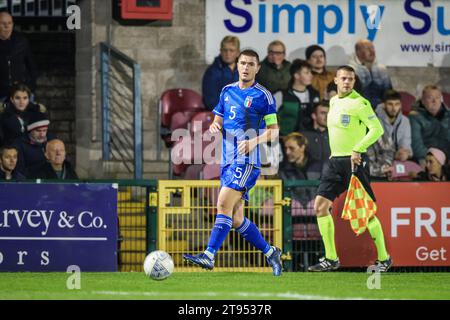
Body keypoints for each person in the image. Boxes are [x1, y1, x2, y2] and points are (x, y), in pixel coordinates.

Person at [183, 49, 283, 276]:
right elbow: (217, 121)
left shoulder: (263, 96)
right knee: (237, 218)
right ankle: (270, 252)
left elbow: (274, 132)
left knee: (222, 205)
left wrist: (254, 141)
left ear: (258, 68)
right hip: (227, 160)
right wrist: (214, 126)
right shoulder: (226, 91)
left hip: (247, 161)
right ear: (237, 66)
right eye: (243, 63)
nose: (246, 67)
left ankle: (209, 255)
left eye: (251, 64)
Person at [308, 65, 392, 272]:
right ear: (335, 81)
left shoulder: (360, 103)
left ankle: (384, 258)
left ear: (354, 82)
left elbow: (377, 129)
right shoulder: (334, 101)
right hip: (335, 161)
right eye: (343, 78)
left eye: (351, 79)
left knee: (366, 213)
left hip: (354, 162)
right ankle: (331, 258)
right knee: (319, 206)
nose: (347, 82)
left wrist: (358, 149)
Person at [367, 90, 413, 178]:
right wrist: (394, 155)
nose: (394, 108)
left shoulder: (405, 121)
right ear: (384, 105)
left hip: (397, 161)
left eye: (397, 104)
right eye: (390, 104)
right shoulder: (373, 120)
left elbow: (406, 143)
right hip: (377, 161)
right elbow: (374, 148)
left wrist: (405, 152)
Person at [275, 59, 320, 136]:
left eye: (310, 72)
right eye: (306, 73)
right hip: (285, 139)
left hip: (310, 139)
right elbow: (267, 113)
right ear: (296, 75)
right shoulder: (281, 95)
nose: (311, 75)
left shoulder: (315, 95)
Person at [0, 11, 38, 102]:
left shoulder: (21, 41)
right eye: (3, 23)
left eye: (10, 23)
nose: (7, 26)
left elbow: (32, 66)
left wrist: (30, 89)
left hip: (21, 93)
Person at [409, 85, 450, 166]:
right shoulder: (415, 117)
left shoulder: (448, 116)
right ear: (423, 101)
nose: (434, 101)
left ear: (441, 100)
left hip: (447, 158)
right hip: (425, 158)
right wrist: (436, 159)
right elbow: (417, 147)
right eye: (430, 98)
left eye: (438, 97)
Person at [348, 39, 392, 108]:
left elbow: (389, 94)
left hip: (381, 111)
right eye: (367, 48)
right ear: (358, 52)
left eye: (373, 48)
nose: (372, 51)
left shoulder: (382, 69)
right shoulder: (350, 70)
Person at [202, 36, 240, 111]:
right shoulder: (212, 72)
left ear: (237, 53)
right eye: (225, 50)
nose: (227, 53)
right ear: (220, 51)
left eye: (231, 50)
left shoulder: (243, 70)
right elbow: (210, 101)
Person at [14, 111, 55, 176]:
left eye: (44, 130)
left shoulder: (52, 140)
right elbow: (20, 171)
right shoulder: (20, 145)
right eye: (38, 131)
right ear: (31, 130)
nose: (42, 134)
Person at [302, 100, 331, 177]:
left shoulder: (335, 135)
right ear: (314, 116)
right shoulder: (304, 135)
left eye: (329, 113)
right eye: (323, 113)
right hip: (308, 177)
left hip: (331, 177)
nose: (327, 116)